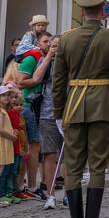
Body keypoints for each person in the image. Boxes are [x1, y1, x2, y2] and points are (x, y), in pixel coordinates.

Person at [52, 0, 109, 218]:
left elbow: (58, 81)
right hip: (103, 108)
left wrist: (58, 112)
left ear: (82, 11)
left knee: (73, 166)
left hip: (73, 107)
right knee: (97, 167)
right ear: (103, 10)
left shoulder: (66, 38)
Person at [15, 31, 54, 200]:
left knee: (34, 147)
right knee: (32, 146)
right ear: (38, 43)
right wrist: (36, 81)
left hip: (37, 107)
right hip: (27, 105)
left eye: (50, 42)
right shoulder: (32, 58)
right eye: (45, 41)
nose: (48, 44)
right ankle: (29, 185)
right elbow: (20, 82)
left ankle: (28, 184)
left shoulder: (44, 59)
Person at [39, 35, 62, 196]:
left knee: (68, 156)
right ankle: (50, 193)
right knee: (50, 153)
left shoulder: (73, 63)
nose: (56, 48)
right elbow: (36, 78)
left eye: (59, 46)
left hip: (69, 113)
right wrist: (48, 56)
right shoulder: (44, 62)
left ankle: (69, 194)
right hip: (48, 113)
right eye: (53, 46)